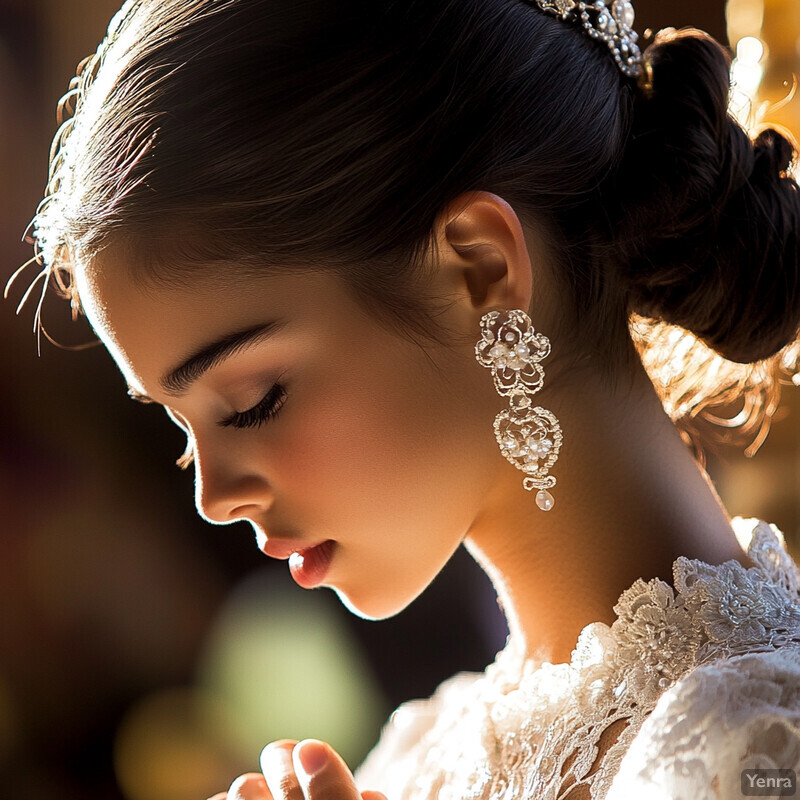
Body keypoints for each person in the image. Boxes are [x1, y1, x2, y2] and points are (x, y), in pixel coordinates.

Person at [7, 0, 800, 797]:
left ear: (481, 269)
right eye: (182, 431)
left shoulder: (757, 743)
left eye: (251, 401)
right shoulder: (416, 748)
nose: (212, 497)